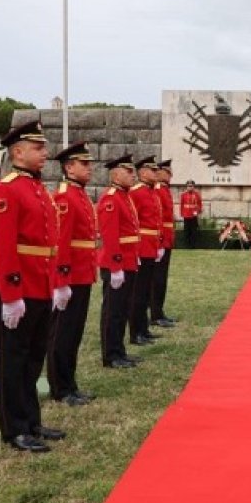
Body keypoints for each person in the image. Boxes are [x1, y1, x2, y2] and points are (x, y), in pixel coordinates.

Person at [0, 120, 64, 452]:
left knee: (33, 358)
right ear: (17, 152)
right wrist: (11, 294)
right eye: (38, 147)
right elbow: (4, 247)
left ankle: (31, 421)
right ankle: (14, 428)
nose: (44, 153)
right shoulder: (6, 190)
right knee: (12, 361)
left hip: (41, 284)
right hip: (17, 289)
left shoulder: (36, 188)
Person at [47, 142, 98, 407]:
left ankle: (70, 383)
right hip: (71, 275)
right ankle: (60, 387)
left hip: (83, 273)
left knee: (74, 332)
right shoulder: (65, 198)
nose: (89, 168)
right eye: (84, 163)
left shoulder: (79, 194)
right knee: (62, 334)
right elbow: (62, 243)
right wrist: (62, 279)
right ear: (69, 167)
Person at [97, 154, 141, 369]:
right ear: (115, 173)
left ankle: (119, 350)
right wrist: (115, 267)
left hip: (128, 260)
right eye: (128, 171)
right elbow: (110, 236)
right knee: (113, 311)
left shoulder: (125, 196)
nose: (133, 175)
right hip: (117, 262)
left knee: (122, 309)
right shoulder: (111, 198)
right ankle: (111, 354)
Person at [128, 157, 164, 346]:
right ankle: (136, 331)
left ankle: (143, 329)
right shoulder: (137, 193)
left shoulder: (151, 192)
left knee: (145, 291)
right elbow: (132, 222)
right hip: (141, 247)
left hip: (151, 246)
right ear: (142, 173)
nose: (156, 173)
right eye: (152, 170)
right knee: (138, 293)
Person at [150, 160, 176, 328]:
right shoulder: (158, 190)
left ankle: (159, 311)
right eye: (167, 171)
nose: (170, 174)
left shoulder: (165, 190)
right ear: (159, 173)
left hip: (166, 238)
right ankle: (155, 313)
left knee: (162, 278)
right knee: (157, 279)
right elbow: (157, 217)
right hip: (160, 239)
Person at [180, 179, 203, 249]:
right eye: (189, 186)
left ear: (193, 187)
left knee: (194, 232)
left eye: (191, 186)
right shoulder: (183, 195)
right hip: (186, 216)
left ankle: (193, 246)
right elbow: (182, 205)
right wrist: (182, 213)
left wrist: (198, 211)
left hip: (193, 216)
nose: (190, 187)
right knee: (186, 232)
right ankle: (187, 246)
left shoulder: (197, 195)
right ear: (186, 187)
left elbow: (200, 204)